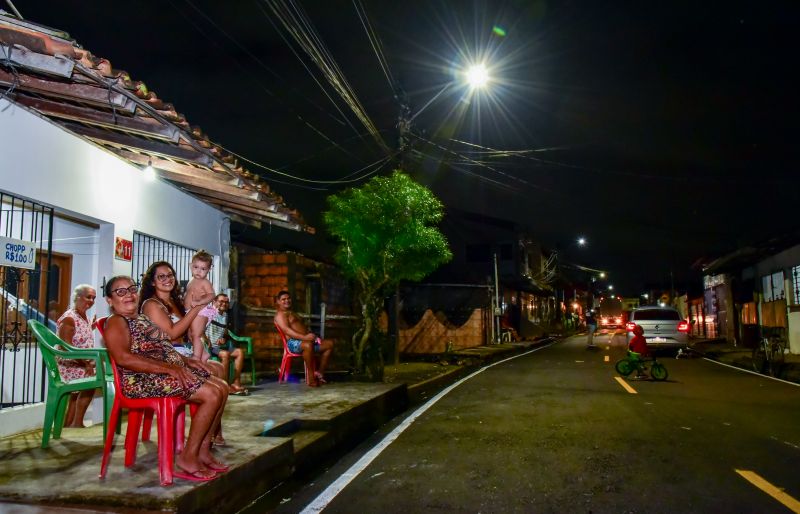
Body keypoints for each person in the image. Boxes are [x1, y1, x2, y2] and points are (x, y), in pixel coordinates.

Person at [103, 275, 228, 481]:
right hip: (141, 380)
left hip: (160, 372)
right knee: (212, 395)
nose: (128, 295)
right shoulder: (116, 322)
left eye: (131, 289)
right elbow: (123, 358)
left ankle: (203, 450)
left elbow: (163, 347)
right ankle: (188, 457)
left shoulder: (140, 318)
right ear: (110, 300)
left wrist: (186, 361)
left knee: (221, 387)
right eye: (120, 292)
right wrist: (169, 369)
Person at [139, 261, 229, 444]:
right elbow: (172, 333)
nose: (167, 279)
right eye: (161, 276)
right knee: (217, 383)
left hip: (182, 352)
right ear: (153, 282)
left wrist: (201, 328)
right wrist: (197, 308)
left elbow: (189, 330)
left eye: (170, 275)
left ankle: (212, 433)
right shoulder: (151, 305)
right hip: (167, 357)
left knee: (219, 369)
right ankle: (205, 439)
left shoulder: (174, 301)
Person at [55, 284, 98, 428]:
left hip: (78, 361)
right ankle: (77, 422)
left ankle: (68, 424)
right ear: (78, 297)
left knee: (96, 372)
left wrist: (90, 327)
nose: (91, 300)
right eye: (88, 297)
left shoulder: (83, 315)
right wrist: (86, 364)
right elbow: (66, 348)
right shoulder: (69, 318)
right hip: (68, 364)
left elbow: (79, 336)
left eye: (93, 298)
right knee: (96, 378)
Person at [273, 290, 334, 386]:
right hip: (293, 343)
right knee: (308, 345)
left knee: (329, 344)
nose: (287, 301)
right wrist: (305, 337)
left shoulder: (291, 312)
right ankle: (311, 379)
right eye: (283, 299)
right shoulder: (280, 315)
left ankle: (319, 373)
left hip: (305, 340)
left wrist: (311, 335)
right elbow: (287, 331)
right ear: (278, 301)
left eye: (288, 298)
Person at [205, 293, 249, 395]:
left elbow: (224, 333)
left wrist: (223, 339)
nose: (224, 304)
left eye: (226, 302)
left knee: (239, 352)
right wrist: (207, 341)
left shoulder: (225, 315)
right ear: (214, 302)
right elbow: (199, 330)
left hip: (218, 347)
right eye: (221, 301)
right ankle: (225, 386)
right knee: (225, 354)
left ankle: (236, 383)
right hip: (209, 347)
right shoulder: (209, 312)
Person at [184, 250, 217, 362]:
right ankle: (204, 353)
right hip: (191, 311)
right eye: (196, 267)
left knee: (196, 334)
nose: (199, 271)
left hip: (201, 311)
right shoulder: (191, 281)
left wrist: (199, 302)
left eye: (203, 269)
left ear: (209, 270)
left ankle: (196, 357)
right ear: (190, 265)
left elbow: (212, 295)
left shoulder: (205, 282)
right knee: (190, 335)